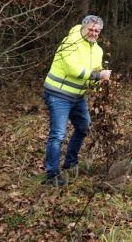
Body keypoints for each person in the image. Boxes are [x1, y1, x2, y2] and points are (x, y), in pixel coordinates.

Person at [43, 15, 111, 187]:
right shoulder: (70, 42)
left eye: (97, 31)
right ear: (83, 27)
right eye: (91, 29)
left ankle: (70, 163)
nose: (94, 33)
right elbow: (72, 69)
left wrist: (101, 87)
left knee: (84, 127)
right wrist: (98, 75)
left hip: (77, 96)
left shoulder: (98, 50)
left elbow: (91, 78)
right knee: (58, 134)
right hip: (58, 94)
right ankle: (52, 175)